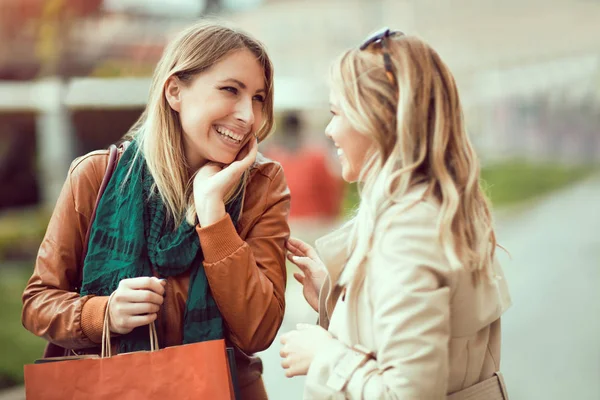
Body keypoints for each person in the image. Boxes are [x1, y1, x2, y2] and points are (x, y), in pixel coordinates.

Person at [22, 20, 291, 400]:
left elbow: (258, 330)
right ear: (175, 91)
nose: (248, 115)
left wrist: (213, 214)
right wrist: (104, 313)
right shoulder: (96, 176)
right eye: (231, 90)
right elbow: (38, 302)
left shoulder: (263, 186)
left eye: (259, 98)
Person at [280, 28, 511, 399]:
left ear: (379, 120)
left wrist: (324, 356)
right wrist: (337, 295)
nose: (329, 130)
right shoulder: (431, 208)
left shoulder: (409, 229)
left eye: (337, 113)